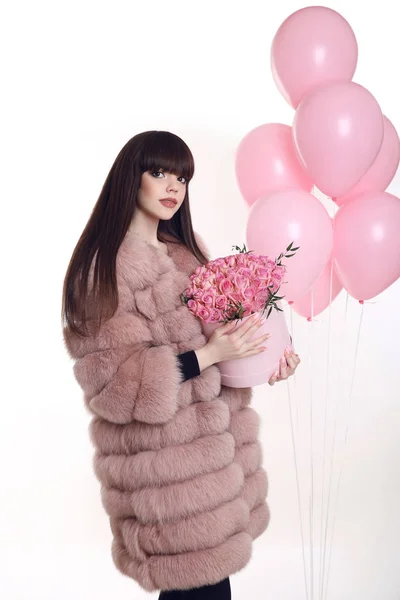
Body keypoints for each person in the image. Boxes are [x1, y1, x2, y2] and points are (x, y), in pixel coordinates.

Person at [61, 130, 300, 598]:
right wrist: (210, 355)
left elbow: (221, 350)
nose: (173, 186)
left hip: (216, 468)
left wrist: (265, 359)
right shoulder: (103, 272)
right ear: (131, 179)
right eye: (159, 172)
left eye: (182, 177)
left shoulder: (188, 256)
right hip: (168, 478)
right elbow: (114, 383)